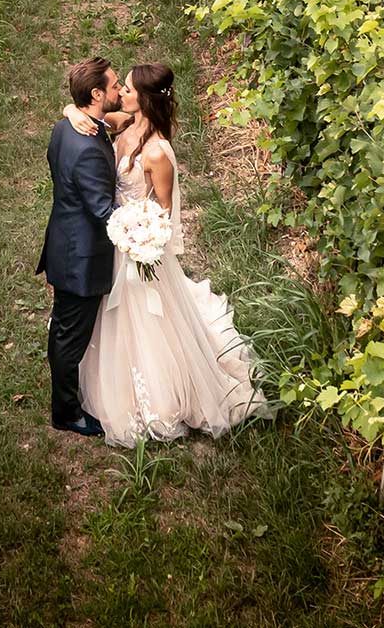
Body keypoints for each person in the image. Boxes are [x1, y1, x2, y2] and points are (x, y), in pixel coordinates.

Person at [74, 62, 270, 448]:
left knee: (145, 320)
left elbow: (163, 212)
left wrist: (139, 237)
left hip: (138, 247)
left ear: (144, 99)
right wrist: (69, 111)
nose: (121, 94)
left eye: (127, 90)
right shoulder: (126, 125)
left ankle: (162, 394)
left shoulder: (159, 152)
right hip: (116, 237)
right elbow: (87, 113)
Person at [37, 56, 123, 437]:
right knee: (69, 336)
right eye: (116, 85)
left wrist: (70, 109)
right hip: (80, 257)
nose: (120, 89)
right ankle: (66, 412)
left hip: (64, 240)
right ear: (96, 93)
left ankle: (67, 399)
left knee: (64, 328)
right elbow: (104, 211)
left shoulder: (65, 127)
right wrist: (142, 227)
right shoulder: (87, 148)